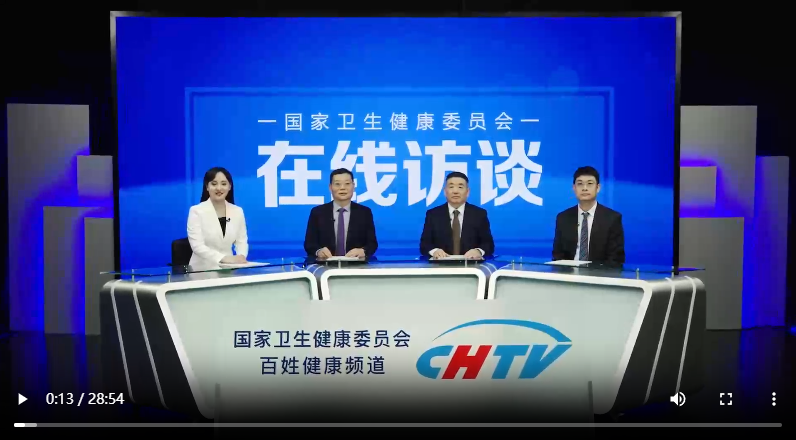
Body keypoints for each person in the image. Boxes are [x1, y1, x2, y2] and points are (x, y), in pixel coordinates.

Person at [552, 166, 625, 264]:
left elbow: (615, 259)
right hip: (569, 272)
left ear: (598, 188)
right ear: (574, 188)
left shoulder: (612, 218)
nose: (585, 188)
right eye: (580, 184)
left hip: (599, 272)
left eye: (590, 184)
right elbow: (558, 256)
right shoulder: (563, 218)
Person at [303, 168, 378, 259]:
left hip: (356, 265)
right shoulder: (317, 212)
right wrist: (318, 251)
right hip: (325, 265)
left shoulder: (364, 212)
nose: (342, 188)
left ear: (353, 186)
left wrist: (363, 251)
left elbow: (372, 244)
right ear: (330, 187)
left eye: (347, 183)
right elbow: (309, 244)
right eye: (337, 184)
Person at [420, 171, 495, 259]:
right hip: (440, 264)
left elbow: (488, 244)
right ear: (445, 191)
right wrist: (435, 251)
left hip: (471, 264)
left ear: (467, 192)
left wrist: (478, 251)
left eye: (460, 187)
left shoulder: (479, 214)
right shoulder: (433, 214)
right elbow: (424, 244)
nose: (455, 191)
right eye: (451, 187)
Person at [186, 167, 249, 269]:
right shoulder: (196, 211)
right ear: (207, 186)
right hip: (201, 270)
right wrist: (223, 258)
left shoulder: (238, 211)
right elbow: (197, 246)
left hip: (228, 269)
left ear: (229, 186)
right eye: (214, 184)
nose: (219, 188)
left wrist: (241, 256)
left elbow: (241, 240)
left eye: (223, 184)